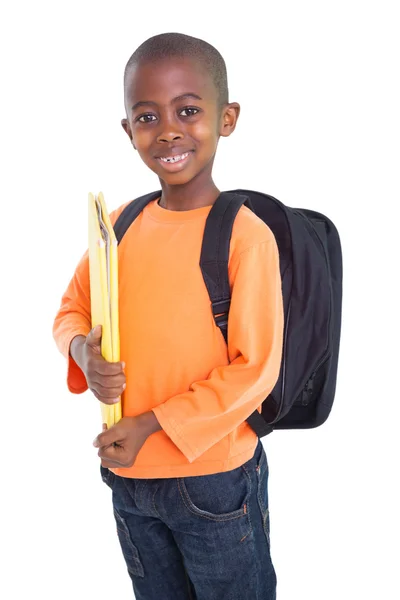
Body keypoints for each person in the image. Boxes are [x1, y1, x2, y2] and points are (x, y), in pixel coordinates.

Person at [53, 32, 284, 600]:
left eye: (188, 111)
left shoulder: (244, 237)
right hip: (129, 478)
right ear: (128, 130)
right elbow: (70, 311)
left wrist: (149, 424)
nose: (169, 130)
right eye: (147, 115)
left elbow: (254, 370)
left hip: (215, 480)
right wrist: (82, 351)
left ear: (226, 118)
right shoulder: (121, 224)